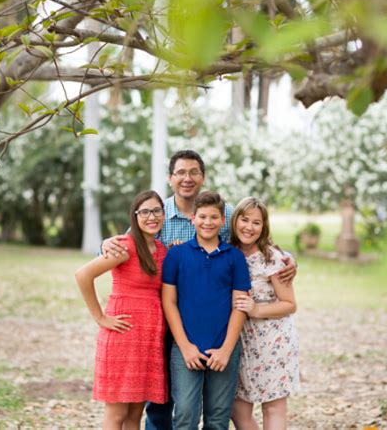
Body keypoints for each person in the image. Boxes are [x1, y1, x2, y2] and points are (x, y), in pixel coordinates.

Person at [102, 150, 298, 430]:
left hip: (220, 331)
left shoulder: (228, 223)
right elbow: (127, 241)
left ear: (203, 177)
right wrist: (106, 245)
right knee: (167, 406)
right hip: (167, 327)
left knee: (218, 413)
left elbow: (252, 233)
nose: (187, 178)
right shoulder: (158, 214)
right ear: (170, 178)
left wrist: (286, 257)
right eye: (180, 172)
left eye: (194, 172)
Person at [75, 190, 168, 430]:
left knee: (135, 415)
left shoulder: (162, 250)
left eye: (157, 210)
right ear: (134, 216)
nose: (152, 217)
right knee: (116, 414)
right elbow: (83, 275)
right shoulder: (125, 246)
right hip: (123, 336)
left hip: (148, 340)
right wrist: (100, 317)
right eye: (145, 211)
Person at [162, 191, 251, 429]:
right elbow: (169, 302)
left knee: (218, 418)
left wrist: (226, 349)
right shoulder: (176, 254)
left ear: (223, 220)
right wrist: (185, 347)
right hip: (185, 348)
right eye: (202, 216)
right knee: (184, 416)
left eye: (214, 217)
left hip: (224, 349)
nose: (207, 222)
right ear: (193, 218)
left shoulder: (235, 258)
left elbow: (240, 306)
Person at [230, 197, 300, 430]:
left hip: (273, 340)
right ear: (235, 220)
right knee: (238, 411)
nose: (249, 227)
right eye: (244, 219)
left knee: (273, 408)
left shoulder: (273, 258)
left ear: (264, 227)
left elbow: (290, 303)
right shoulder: (227, 252)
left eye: (256, 223)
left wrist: (256, 309)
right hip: (239, 340)